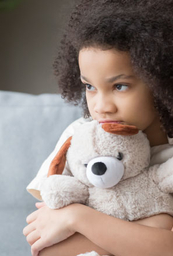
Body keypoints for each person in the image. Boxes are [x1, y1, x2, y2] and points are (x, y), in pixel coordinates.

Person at [23, 0, 173, 255]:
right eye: (89, 87)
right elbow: (45, 245)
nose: (102, 107)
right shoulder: (80, 138)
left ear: (161, 81)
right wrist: (149, 231)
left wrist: (78, 219)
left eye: (120, 86)